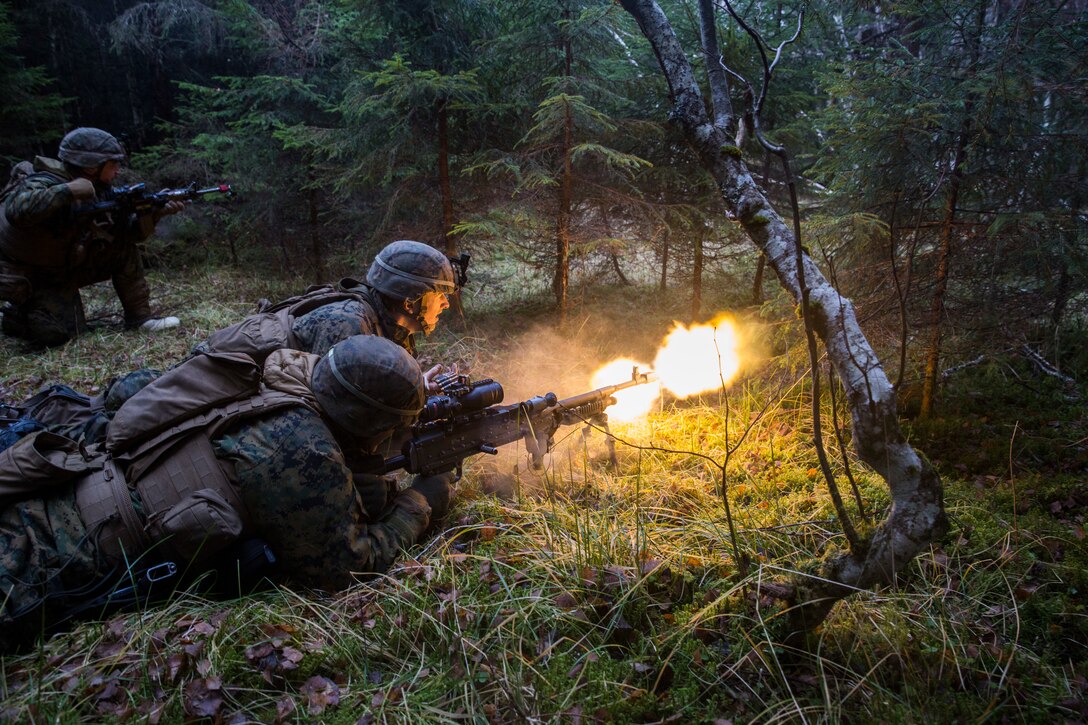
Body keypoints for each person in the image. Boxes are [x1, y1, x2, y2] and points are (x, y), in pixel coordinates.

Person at [0, 335, 454, 650]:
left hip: (70, 488)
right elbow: (348, 567)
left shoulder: (283, 374)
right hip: (57, 557)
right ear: (366, 417)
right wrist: (420, 501)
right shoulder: (304, 449)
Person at [0, 127, 184, 347]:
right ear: (90, 166)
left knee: (123, 248)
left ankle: (140, 318)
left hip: (66, 266)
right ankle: (16, 315)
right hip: (34, 275)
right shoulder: (46, 180)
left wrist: (153, 214)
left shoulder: (101, 188)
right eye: (113, 164)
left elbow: (127, 234)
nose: (117, 171)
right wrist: (67, 191)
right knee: (59, 335)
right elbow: (17, 210)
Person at [198, 240, 462, 390]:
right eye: (440, 296)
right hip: (212, 383)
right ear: (409, 302)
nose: (445, 305)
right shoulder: (348, 326)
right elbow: (334, 412)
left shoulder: (384, 323)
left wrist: (416, 389)